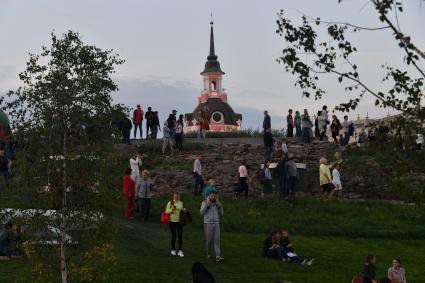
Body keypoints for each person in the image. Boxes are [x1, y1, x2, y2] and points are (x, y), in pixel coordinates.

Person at [200, 191, 224, 262]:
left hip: (216, 223)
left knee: (217, 240)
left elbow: (222, 213)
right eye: (212, 196)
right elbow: (201, 212)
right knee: (209, 240)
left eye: (215, 196)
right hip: (208, 223)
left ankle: (218, 256)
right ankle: (208, 254)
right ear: (209, 196)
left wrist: (219, 207)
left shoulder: (218, 203)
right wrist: (207, 206)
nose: (213, 197)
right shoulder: (204, 202)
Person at [165, 192, 185, 257]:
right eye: (175, 196)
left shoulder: (181, 203)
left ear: (179, 196)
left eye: (177, 196)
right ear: (173, 196)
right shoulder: (170, 202)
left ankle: (180, 251)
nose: (176, 197)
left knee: (180, 236)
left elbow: (181, 210)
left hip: (179, 222)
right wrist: (171, 209)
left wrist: (184, 210)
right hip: (172, 221)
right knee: (174, 235)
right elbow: (166, 211)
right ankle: (173, 249)